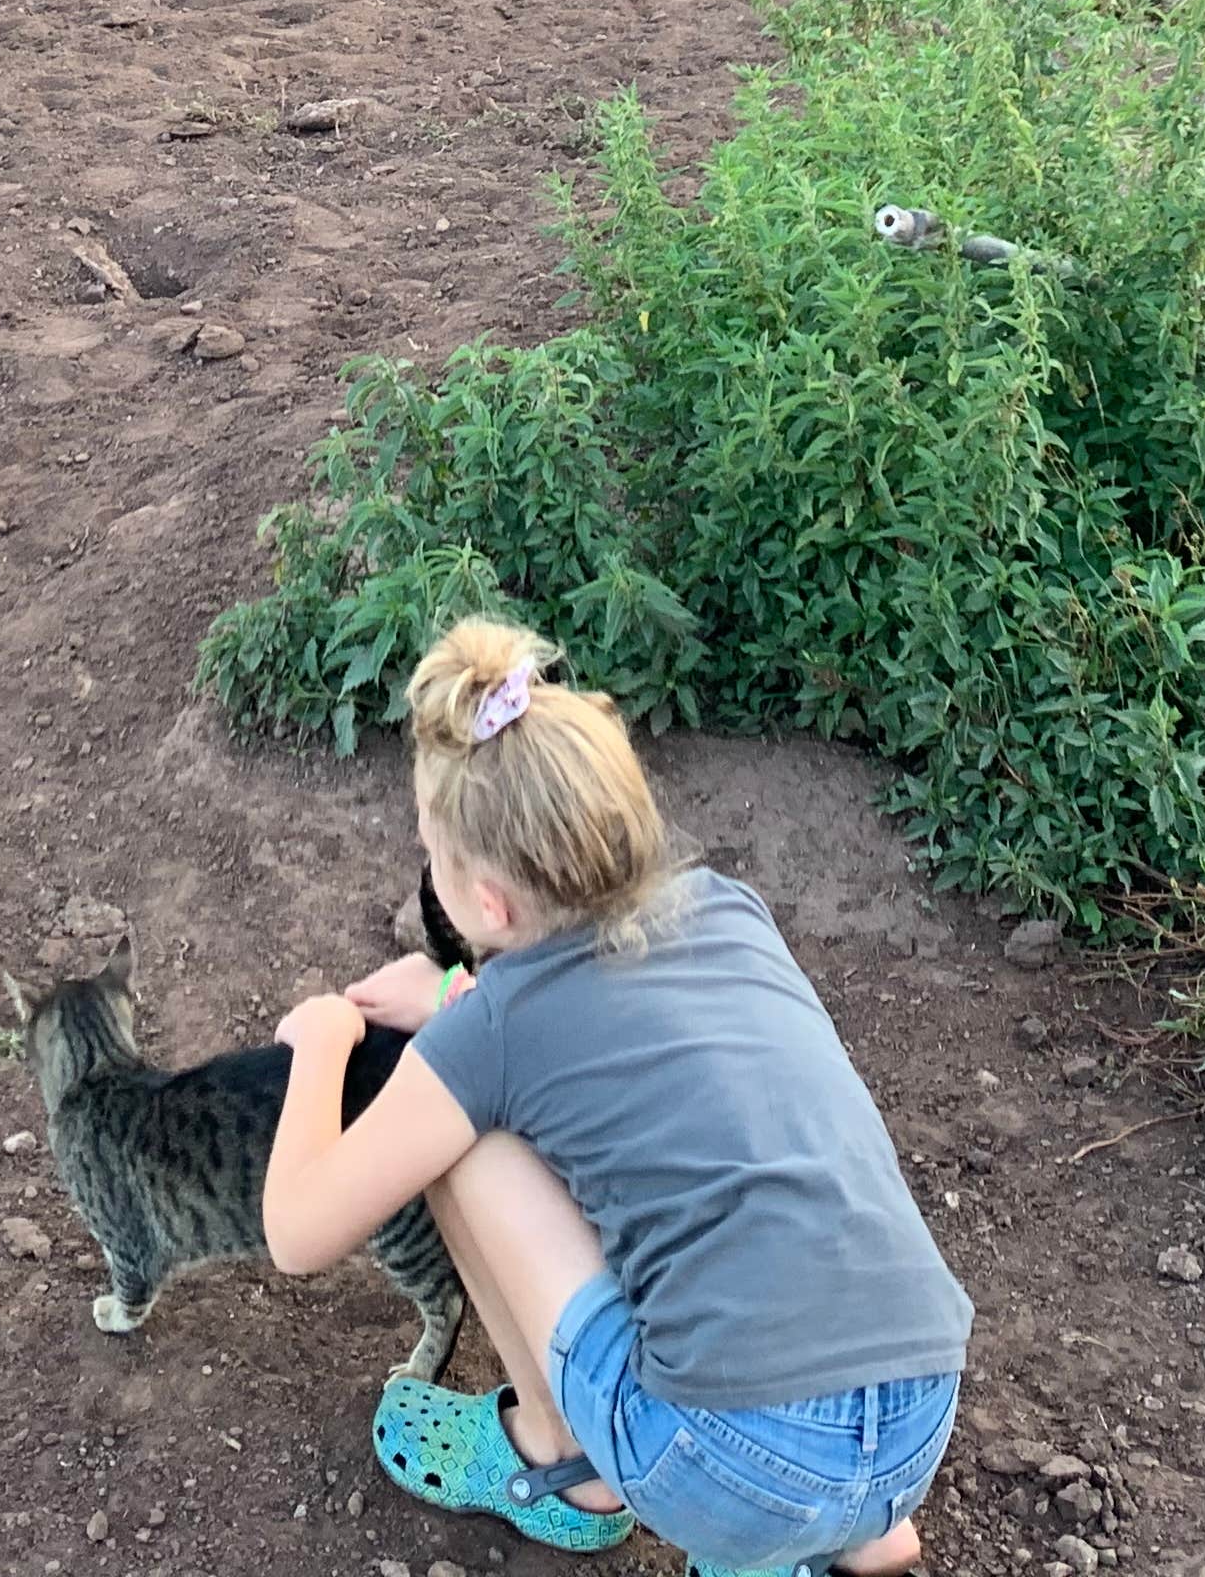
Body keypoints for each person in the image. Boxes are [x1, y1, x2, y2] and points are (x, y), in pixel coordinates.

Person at [261, 620, 972, 1574]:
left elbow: (297, 1232)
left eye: (432, 855)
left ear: (491, 907)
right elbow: (624, 1045)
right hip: (917, 1421)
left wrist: (324, 1038)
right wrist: (445, 998)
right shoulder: (725, 906)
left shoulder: (494, 1032)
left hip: (733, 1465)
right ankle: (857, 1532)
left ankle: (569, 1468)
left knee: (469, 1144)